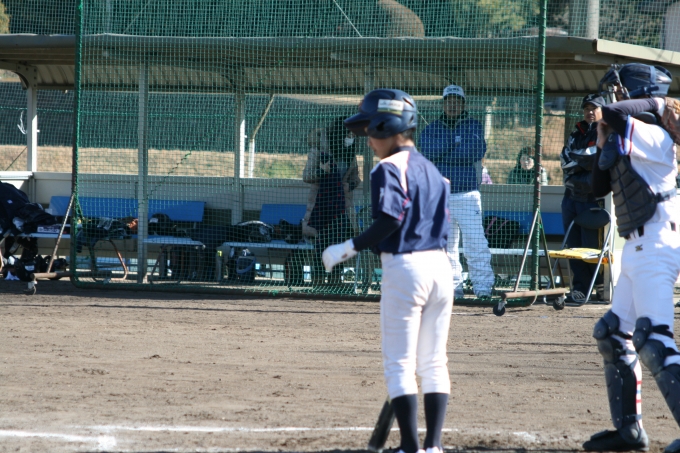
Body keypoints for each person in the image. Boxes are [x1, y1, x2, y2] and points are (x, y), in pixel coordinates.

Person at [322, 89, 453, 453]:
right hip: (441, 268)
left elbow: (391, 219)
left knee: (399, 363)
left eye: (370, 130)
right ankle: (433, 446)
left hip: (406, 267)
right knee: (433, 361)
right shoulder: (432, 169)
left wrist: (348, 247)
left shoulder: (388, 168)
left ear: (385, 126)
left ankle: (410, 446)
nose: (368, 139)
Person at [583, 63, 680, 453]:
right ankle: (629, 432)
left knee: (654, 341)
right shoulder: (626, 133)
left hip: (657, 244)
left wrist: (657, 104)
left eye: (622, 89)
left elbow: (613, 111)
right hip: (637, 249)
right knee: (612, 334)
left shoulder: (654, 133)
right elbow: (597, 187)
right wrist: (602, 139)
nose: (615, 96)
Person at [419, 84, 494, 299]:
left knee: (475, 243)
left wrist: (443, 151)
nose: (452, 105)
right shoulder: (432, 127)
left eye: (457, 101)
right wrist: (455, 142)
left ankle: (483, 288)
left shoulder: (474, 125)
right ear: (443, 104)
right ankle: (452, 288)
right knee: (445, 246)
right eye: (448, 101)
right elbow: (427, 151)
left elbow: (474, 151)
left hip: (467, 194)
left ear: (463, 104)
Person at [301, 118, 361, 285]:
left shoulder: (350, 154)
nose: (351, 137)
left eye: (353, 135)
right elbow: (306, 176)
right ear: (340, 133)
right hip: (322, 207)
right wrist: (322, 171)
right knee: (322, 244)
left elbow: (356, 179)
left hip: (342, 208)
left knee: (340, 245)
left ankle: (335, 282)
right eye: (349, 134)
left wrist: (349, 185)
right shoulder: (318, 151)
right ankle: (318, 282)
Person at [559, 94, 605, 303]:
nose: (590, 112)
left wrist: (579, 160)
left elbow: (596, 158)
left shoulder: (607, 131)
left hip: (593, 198)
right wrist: (583, 161)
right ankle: (580, 289)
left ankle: (601, 285)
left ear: (602, 110)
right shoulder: (575, 133)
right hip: (570, 197)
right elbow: (564, 160)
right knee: (573, 246)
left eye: (594, 108)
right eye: (587, 108)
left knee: (591, 246)